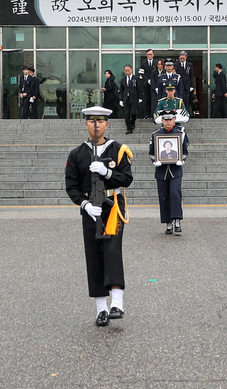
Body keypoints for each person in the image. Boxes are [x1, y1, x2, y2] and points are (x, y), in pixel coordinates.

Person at [64, 106, 135, 326]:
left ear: (107, 124)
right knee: (94, 256)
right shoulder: (77, 153)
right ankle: (101, 308)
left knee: (112, 251)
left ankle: (117, 302)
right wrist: (84, 204)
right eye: (92, 122)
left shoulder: (119, 149)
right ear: (86, 124)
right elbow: (71, 186)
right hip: (91, 208)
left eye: (101, 122)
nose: (97, 126)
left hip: (113, 206)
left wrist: (107, 173)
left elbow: (126, 179)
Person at [151, 110, 189, 235]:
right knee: (163, 196)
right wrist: (155, 160)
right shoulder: (156, 134)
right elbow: (151, 153)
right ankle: (168, 223)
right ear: (162, 120)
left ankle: (177, 221)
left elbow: (184, 151)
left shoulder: (181, 133)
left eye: (170, 119)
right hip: (161, 170)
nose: (168, 122)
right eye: (165, 120)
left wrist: (181, 159)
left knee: (175, 193)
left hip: (175, 170)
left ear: (174, 120)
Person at [120, 64, 142, 134]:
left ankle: (132, 123)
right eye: (126, 71)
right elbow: (121, 90)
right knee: (126, 114)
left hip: (134, 98)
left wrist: (140, 97)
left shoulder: (136, 78)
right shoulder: (123, 80)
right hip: (126, 99)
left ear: (131, 70)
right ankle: (128, 128)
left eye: (128, 70)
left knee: (133, 113)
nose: (127, 72)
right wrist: (120, 99)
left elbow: (140, 88)